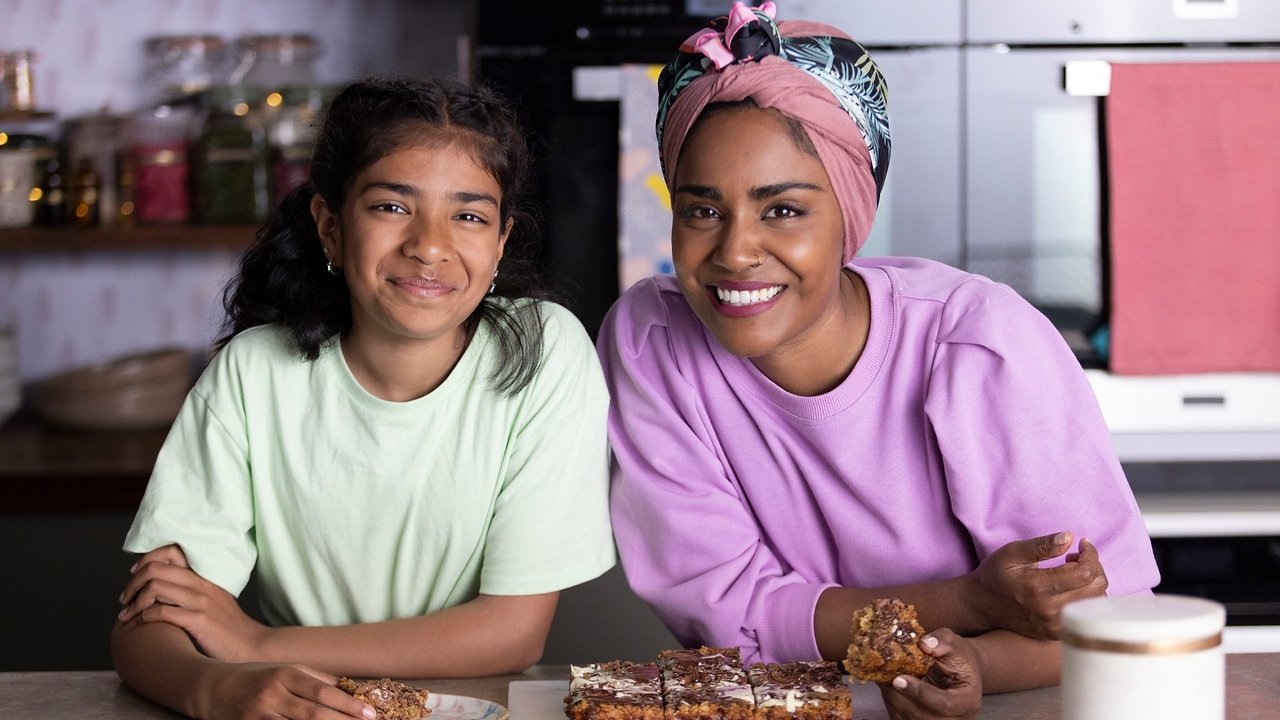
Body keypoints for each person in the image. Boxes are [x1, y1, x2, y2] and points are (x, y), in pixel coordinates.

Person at [597, 3, 1159, 717]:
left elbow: (1103, 621)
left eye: (784, 210)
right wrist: (965, 602)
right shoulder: (653, 341)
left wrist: (977, 661)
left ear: (852, 216)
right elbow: (731, 620)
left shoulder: (980, 347)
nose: (735, 252)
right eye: (702, 211)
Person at [112, 77, 615, 720]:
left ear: (500, 245)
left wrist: (257, 643)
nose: (429, 246)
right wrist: (215, 687)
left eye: (468, 216)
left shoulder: (544, 352)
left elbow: (512, 633)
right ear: (331, 227)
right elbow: (150, 624)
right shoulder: (253, 372)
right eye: (392, 207)